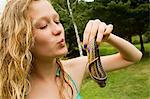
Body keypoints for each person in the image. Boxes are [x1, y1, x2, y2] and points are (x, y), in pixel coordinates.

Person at [0, 0, 142, 99]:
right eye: (43, 26)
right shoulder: (12, 87)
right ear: (20, 39)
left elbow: (133, 57)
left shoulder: (74, 69)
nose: (58, 30)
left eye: (57, 21)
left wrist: (107, 36)